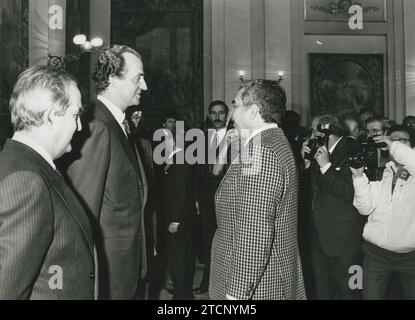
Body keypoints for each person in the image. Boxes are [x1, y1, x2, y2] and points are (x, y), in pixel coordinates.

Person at [0, 66, 95, 299]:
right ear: (51, 116)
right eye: (75, 116)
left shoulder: (25, 164)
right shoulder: (27, 180)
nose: (80, 126)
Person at [61, 45, 148, 300]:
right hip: (108, 275)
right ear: (112, 79)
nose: (144, 86)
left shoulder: (118, 124)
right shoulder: (97, 126)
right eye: (138, 78)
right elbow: (82, 212)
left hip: (126, 267)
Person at [210, 80, 306, 300]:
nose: (231, 114)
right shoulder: (272, 141)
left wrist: (237, 295)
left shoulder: (261, 150)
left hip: (259, 287)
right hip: (268, 275)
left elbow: (254, 233)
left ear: (253, 112)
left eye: (235, 106)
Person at [301, 114, 364, 300]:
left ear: (326, 131)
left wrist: (326, 166)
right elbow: (307, 193)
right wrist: (304, 164)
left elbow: (350, 193)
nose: (311, 138)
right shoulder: (318, 150)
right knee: (322, 292)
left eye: (313, 132)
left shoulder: (354, 149)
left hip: (346, 242)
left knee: (350, 292)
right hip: (317, 237)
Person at [351, 126, 415, 299]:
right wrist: (358, 177)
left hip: (410, 256)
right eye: (393, 139)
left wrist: (393, 145)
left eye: (403, 140)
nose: (396, 144)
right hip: (376, 254)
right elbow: (364, 208)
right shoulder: (384, 171)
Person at [194, 100, 230, 295]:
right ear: (209, 115)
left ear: (226, 115)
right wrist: (197, 199)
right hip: (207, 199)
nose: (217, 117)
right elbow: (198, 172)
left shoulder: (235, 137)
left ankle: (227, 283)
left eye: (221, 113)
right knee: (208, 241)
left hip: (229, 198)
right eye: (213, 113)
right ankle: (208, 281)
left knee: (229, 241)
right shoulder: (202, 138)